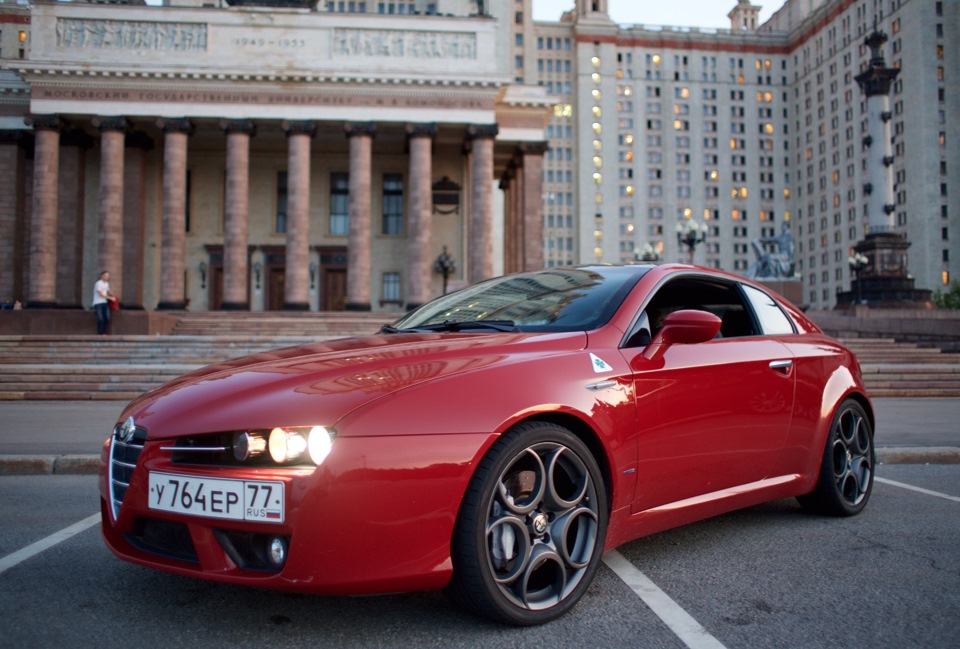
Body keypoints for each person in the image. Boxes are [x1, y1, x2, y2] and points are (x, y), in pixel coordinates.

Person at [92, 270, 116, 335]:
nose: (106, 277)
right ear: (102, 276)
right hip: (98, 303)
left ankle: (104, 332)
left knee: (107, 318)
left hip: (104, 302)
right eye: (105, 276)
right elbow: (100, 294)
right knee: (100, 318)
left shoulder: (106, 283)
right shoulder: (98, 283)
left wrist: (113, 295)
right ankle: (99, 333)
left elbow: (108, 290)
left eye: (107, 276)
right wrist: (110, 298)